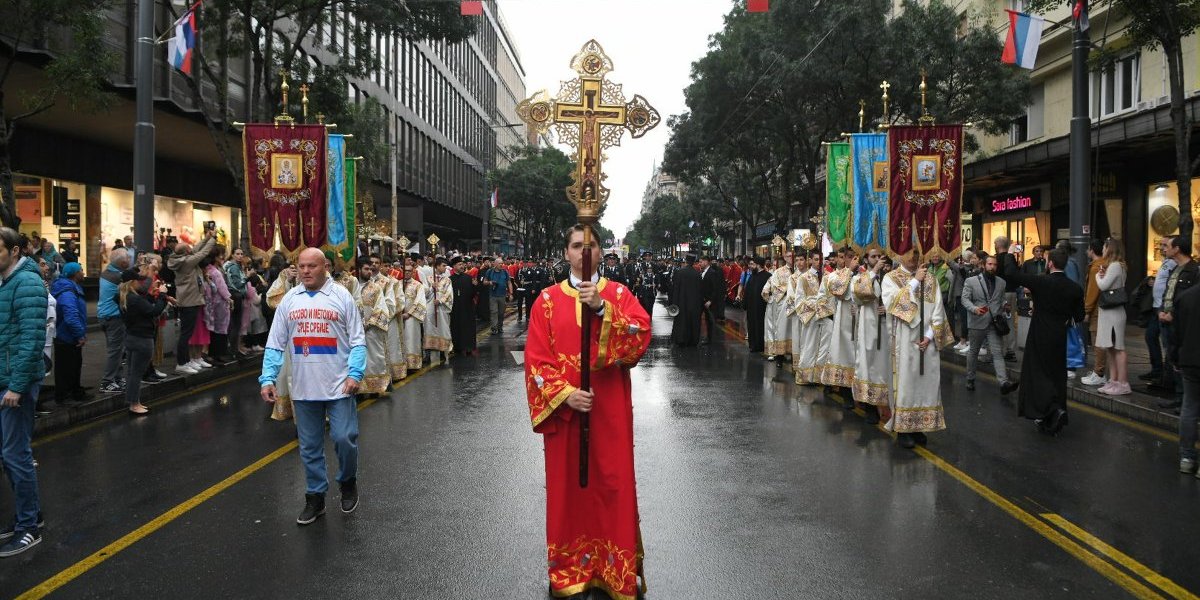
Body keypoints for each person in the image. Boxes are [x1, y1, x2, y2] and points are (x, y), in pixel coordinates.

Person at [524, 225, 651, 599]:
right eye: (577, 246)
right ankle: (569, 569)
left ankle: (614, 570)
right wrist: (564, 394)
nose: (584, 252)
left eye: (591, 246)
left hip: (609, 415)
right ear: (566, 252)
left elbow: (640, 336)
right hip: (568, 419)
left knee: (612, 487)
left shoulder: (618, 294)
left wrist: (600, 308)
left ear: (602, 252)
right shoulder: (545, 301)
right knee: (569, 493)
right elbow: (536, 362)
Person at [260, 248, 365, 525]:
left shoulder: (342, 296)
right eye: (301, 266)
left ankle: (347, 481)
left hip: (340, 385)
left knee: (344, 438)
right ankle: (315, 497)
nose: (305, 271)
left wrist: (355, 374)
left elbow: (357, 340)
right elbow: (275, 342)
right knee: (309, 446)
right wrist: (267, 378)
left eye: (312, 266)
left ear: (325, 267)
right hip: (304, 387)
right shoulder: (289, 300)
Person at [0, 227, 49, 556]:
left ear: (15, 251)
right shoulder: (7, 281)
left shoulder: (27, 282)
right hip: (6, 377)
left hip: (16, 382)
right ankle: (28, 515)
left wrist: (17, 385)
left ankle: (29, 526)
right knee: (8, 454)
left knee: (16, 455)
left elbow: (31, 339)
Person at [1001, 248, 1085, 435]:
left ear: (1050, 264)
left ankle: (1049, 411)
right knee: (1056, 374)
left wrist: (1009, 253)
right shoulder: (1075, 288)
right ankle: (1057, 408)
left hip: (1040, 333)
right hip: (1060, 336)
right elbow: (1079, 316)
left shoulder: (1041, 282)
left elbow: (1011, 273)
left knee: (1038, 374)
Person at [882, 253, 952, 449]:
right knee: (906, 383)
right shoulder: (891, 278)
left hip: (926, 342)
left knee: (926, 384)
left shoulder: (932, 279)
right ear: (898, 255)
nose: (912, 257)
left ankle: (920, 425)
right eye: (908, 253)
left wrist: (929, 335)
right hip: (903, 341)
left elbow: (939, 310)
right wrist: (914, 282)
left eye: (915, 253)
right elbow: (892, 304)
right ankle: (904, 428)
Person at [961, 255, 1018, 394]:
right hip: (977, 322)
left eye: (995, 265)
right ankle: (970, 378)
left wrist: (1005, 306)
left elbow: (1001, 299)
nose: (992, 267)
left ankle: (1004, 382)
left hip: (994, 323)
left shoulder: (1001, 283)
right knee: (973, 352)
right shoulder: (971, 281)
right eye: (990, 264)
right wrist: (974, 309)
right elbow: (965, 299)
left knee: (997, 353)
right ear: (984, 265)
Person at [120, 268, 173, 415]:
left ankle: (133, 402)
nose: (141, 283)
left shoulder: (125, 297)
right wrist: (162, 295)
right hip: (142, 339)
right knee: (136, 373)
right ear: (132, 283)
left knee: (132, 372)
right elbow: (153, 311)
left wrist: (151, 295)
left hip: (131, 337)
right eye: (138, 280)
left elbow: (144, 307)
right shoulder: (134, 299)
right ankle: (134, 404)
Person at [1156, 235, 1198, 409]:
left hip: (1180, 323)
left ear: (1177, 248)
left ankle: (1186, 401)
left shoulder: (1194, 271)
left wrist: (1175, 314)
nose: (1165, 249)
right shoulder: (1175, 268)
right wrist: (1161, 311)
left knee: (1182, 359)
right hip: (1167, 320)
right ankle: (1178, 396)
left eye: (1168, 246)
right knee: (1172, 358)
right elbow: (1169, 292)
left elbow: (1193, 300)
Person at [167, 231, 216, 374]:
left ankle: (186, 361)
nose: (191, 248)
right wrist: (212, 240)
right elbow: (202, 253)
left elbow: (195, 250)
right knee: (186, 334)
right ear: (186, 252)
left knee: (187, 333)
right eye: (189, 248)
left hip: (189, 300)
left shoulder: (181, 258)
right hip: (189, 301)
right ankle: (181, 363)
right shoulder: (187, 262)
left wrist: (206, 238)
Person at [850, 249, 890, 424]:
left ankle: (888, 405)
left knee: (884, 366)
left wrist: (888, 308)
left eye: (879, 256)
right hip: (868, 325)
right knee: (869, 365)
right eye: (873, 256)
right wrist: (873, 273)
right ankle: (870, 407)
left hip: (886, 326)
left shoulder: (888, 277)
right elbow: (859, 296)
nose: (877, 259)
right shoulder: (859, 277)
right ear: (866, 259)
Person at [1169, 283, 1200, 475]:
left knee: (1189, 407)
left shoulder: (1185, 296)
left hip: (1189, 360)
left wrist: (1175, 358)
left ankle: (1187, 457)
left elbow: (1175, 334)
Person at [1095, 239, 1129, 396]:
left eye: (1104, 246)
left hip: (1113, 313)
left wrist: (1098, 276)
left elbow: (1103, 286)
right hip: (1111, 312)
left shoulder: (1115, 266)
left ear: (1109, 249)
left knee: (1118, 348)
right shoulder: (1117, 266)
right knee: (1111, 348)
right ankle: (1114, 381)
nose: (1102, 249)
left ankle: (1122, 382)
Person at [50, 262, 88, 407]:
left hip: (67, 335)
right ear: (74, 274)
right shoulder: (67, 292)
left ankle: (74, 392)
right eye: (81, 270)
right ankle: (65, 397)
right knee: (67, 368)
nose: (83, 273)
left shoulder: (70, 288)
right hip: (67, 337)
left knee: (71, 366)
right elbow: (71, 316)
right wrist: (79, 334)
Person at [820, 248, 857, 391]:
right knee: (842, 353)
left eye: (849, 257)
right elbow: (838, 290)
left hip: (859, 319)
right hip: (843, 320)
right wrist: (850, 271)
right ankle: (844, 389)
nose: (844, 260)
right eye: (841, 257)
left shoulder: (861, 273)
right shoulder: (834, 276)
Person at [265, 262, 299, 421]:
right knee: (290, 377)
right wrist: (286, 281)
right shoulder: (283, 278)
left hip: (313, 340)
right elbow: (272, 301)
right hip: (290, 339)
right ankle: (298, 419)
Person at [355, 261, 393, 395]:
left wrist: (368, 324)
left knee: (373, 359)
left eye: (371, 269)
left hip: (371, 329)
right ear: (358, 269)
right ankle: (358, 387)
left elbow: (381, 308)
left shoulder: (376, 288)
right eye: (366, 268)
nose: (369, 272)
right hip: (353, 330)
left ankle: (375, 387)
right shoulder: (350, 286)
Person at [1142, 242, 1175, 388]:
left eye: (1165, 245)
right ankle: (1157, 369)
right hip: (1157, 308)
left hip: (1164, 309)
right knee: (1150, 336)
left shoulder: (1173, 263)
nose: (1162, 247)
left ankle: (1168, 378)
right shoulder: (1166, 262)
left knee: (1166, 342)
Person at [97, 248, 130, 393]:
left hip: (105, 315)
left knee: (117, 350)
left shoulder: (107, 272)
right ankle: (107, 382)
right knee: (115, 351)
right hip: (114, 317)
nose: (130, 260)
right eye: (128, 258)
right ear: (123, 263)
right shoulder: (119, 277)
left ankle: (117, 378)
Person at [1079, 240, 1109, 387]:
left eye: (1088, 249)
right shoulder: (1105, 264)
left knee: (1097, 340)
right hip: (1103, 308)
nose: (1086, 252)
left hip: (1097, 310)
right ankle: (1099, 371)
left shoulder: (1096, 267)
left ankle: (1099, 373)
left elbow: (1092, 291)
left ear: (1092, 250)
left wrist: (1087, 310)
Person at [204, 247, 234, 363]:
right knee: (220, 328)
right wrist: (229, 298)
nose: (222, 257)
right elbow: (222, 288)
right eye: (221, 255)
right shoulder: (215, 272)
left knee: (214, 328)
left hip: (213, 303)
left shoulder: (210, 269)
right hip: (219, 303)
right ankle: (219, 353)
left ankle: (214, 353)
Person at [399, 261, 428, 372]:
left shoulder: (418, 285)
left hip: (411, 317)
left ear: (413, 272)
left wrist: (409, 313)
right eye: (405, 271)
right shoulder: (397, 284)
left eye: (409, 271)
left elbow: (420, 301)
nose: (407, 273)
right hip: (399, 316)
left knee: (411, 339)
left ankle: (412, 364)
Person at [424, 258, 454, 361]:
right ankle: (428, 352)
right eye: (443, 266)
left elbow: (449, 294)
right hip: (430, 307)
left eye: (446, 266)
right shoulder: (428, 279)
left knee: (443, 329)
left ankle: (442, 350)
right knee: (429, 329)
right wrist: (431, 288)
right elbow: (423, 293)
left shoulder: (447, 280)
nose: (445, 268)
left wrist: (440, 301)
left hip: (441, 308)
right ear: (436, 266)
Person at [761, 257, 792, 361]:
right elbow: (766, 288)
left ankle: (785, 350)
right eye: (773, 265)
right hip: (773, 304)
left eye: (776, 265)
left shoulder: (791, 274)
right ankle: (772, 350)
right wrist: (767, 294)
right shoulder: (772, 276)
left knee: (785, 328)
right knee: (772, 327)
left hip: (785, 303)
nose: (774, 267)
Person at [670, 254, 703, 347]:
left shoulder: (680, 272)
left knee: (681, 321)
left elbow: (676, 289)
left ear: (686, 261)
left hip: (681, 302)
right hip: (694, 302)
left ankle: (680, 339)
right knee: (692, 321)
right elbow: (700, 290)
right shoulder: (697, 274)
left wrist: (674, 303)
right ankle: (692, 340)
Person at [449, 257, 478, 356]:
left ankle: (469, 347)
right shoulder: (449, 280)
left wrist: (475, 286)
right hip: (455, 308)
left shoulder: (468, 278)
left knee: (468, 328)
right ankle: (457, 347)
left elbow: (474, 294)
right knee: (456, 328)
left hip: (467, 308)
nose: (462, 266)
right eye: (459, 264)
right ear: (454, 267)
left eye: (462, 264)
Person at [223, 248, 249, 358]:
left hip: (236, 296)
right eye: (237, 254)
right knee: (235, 325)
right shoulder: (233, 267)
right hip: (236, 296)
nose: (240, 256)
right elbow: (238, 284)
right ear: (232, 255)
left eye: (242, 254)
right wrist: (248, 277)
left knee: (235, 324)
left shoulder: (235, 266)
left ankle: (234, 349)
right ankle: (233, 350)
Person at [743, 257, 771, 354]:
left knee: (761, 326)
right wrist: (745, 304)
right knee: (752, 325)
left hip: (762, 307)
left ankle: (760, 345)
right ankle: (753, 345)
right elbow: (747, 291)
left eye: (752, 264)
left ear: (758, 265)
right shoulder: (753, 276)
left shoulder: (768, 276)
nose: (750, 266)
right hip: (751, 307)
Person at [698, 256, 724, 344]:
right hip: (702, 300)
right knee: (704, 319)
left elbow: (715, 288)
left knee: (710, 320)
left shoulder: (712, 273)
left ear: (706, 262)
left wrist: (710, 300)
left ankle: (710, 339)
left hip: (709, 302)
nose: (700, 264)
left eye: (701, 262)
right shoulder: (703, 272)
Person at [485, 258, 512, 335]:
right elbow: (484, 282)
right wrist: (490, 282)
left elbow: (509, 283)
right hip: (493, 296)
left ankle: (500, 327)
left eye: (502, 263)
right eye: (500, 263)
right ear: (495, 264)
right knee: (494, 312)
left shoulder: (505, 272)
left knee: (501, 313)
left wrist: (511, 293)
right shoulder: (490, 272)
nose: (501, 265)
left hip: (502, 296)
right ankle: (494, 328)